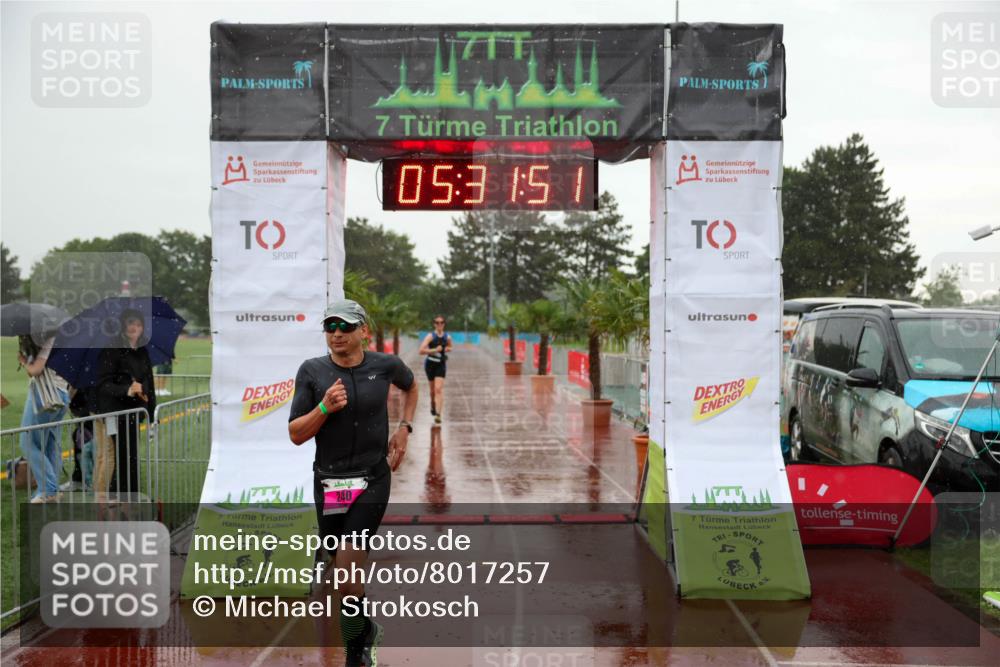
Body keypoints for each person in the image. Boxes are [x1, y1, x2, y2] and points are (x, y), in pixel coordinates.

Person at [288, 298, 418, 667]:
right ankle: (364, 630)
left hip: (372, 478)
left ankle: (354, 650)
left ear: (364, 331)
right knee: (340, 567)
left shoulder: (385, 365)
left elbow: (411, 387)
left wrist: (404, 428)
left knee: (345, 570)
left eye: (345, 326)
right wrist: (325, 407)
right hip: (329, 481)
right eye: (330, 327)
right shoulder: (312, 371)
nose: (337, 334)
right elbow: (296, 434)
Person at [96, 309, 156, 496]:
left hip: (135, 411)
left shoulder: (143, 350)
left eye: (138, 325)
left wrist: (151, 411)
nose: (134, 328)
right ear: (124, 326)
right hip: (115, 411)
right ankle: (116, 494)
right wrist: (127, 390)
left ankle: (132, 493)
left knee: (132, 455)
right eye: (131, 324)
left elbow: (149, 381)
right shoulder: (112, 348)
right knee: (120, 455)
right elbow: (103, 383)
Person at [17, 333, 70, 503]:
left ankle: (49, 490)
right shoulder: (59, 337)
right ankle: (51, 489)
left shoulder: (47, 339)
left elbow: (35, 371)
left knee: (27, 442)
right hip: (61, 394)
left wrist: (25, 362)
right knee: (50, 444)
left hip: (45, 396)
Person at [418, 316, 452, 425]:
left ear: (444, 324)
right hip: (430, 365)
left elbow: (450, 347)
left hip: (441, 365)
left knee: (438, 389)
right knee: (432, 391)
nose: (439, 324)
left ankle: (438, 415)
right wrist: (434, 350)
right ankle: (433, 403)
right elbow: (421, 350)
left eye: (441, 322)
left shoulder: (447, 337)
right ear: (434, 324)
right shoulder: (430, 336)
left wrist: (447, 349)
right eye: (437, 322)